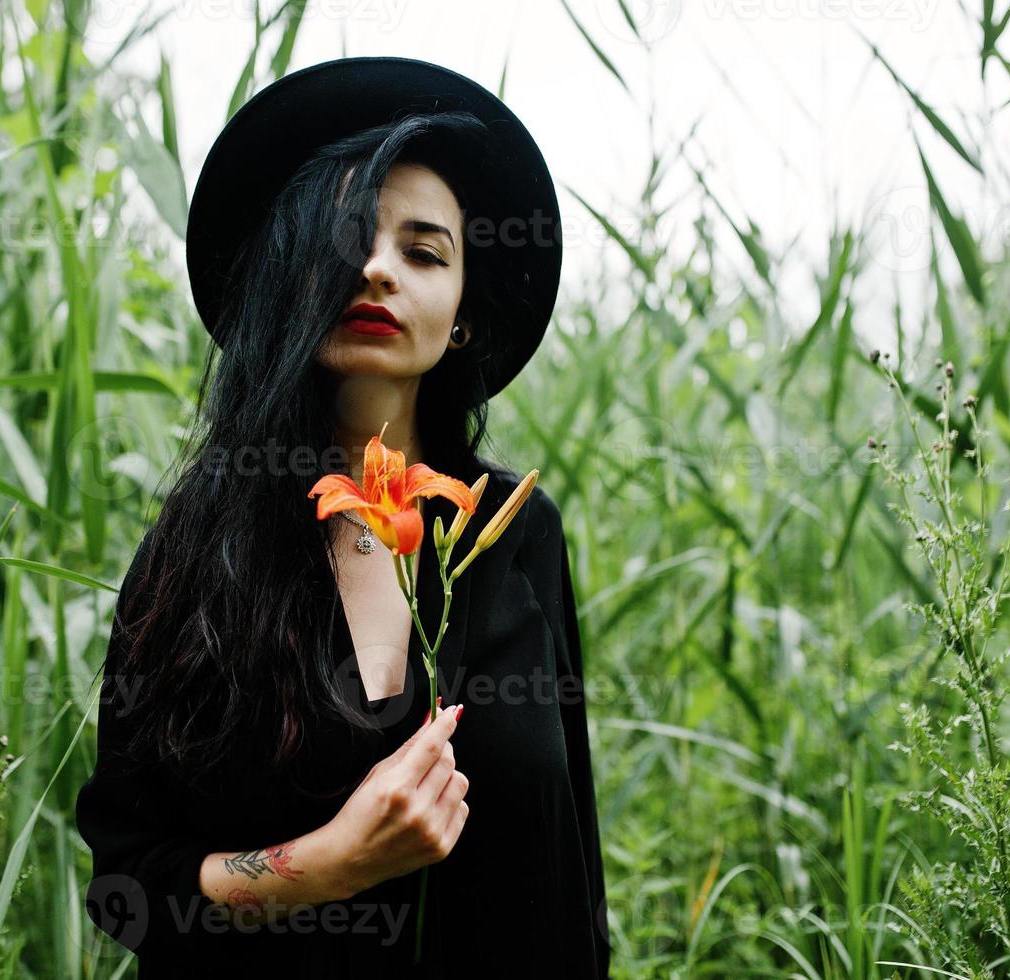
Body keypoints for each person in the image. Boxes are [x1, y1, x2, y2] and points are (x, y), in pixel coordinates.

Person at [75, 56, 610, 977]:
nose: (375, 268)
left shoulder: (515, 532)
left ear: (464, 318)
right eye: (342, 242)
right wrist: (321, 869)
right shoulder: (197, 548)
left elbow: (571, 871)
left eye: (423, 250)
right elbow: (128, 883)